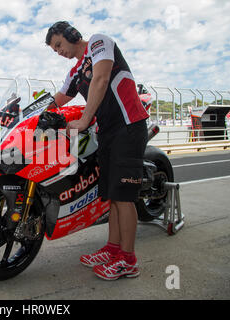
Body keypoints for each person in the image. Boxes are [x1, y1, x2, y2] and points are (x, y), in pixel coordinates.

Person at [45, 21, 149, 280]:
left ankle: (128, 259)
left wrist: (82, 121)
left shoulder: (99, 43)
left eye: (59, 44)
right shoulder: (75, 71)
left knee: (124, 196)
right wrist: (29, 114)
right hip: (107, 132)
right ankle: (113, 249)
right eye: (54, 50)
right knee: (113, 196)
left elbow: (101, 79)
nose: (59, 51)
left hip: (129, 125)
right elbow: (58, 99)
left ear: (71, 35)